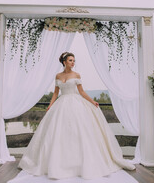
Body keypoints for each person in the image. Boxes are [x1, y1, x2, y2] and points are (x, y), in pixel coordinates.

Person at [18, 52, 136, 180]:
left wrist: (92, 101)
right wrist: (50, 105)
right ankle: (57, 163)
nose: (73, 63)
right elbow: (55, 93)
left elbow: (81, 92)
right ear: (64, 62)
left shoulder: (76, 75)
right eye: (70, 60)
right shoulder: (58, 76)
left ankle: (80, 164)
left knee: (78, 131)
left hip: (75, 103)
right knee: (57, 132)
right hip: (61, 104)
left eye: (74, 60)